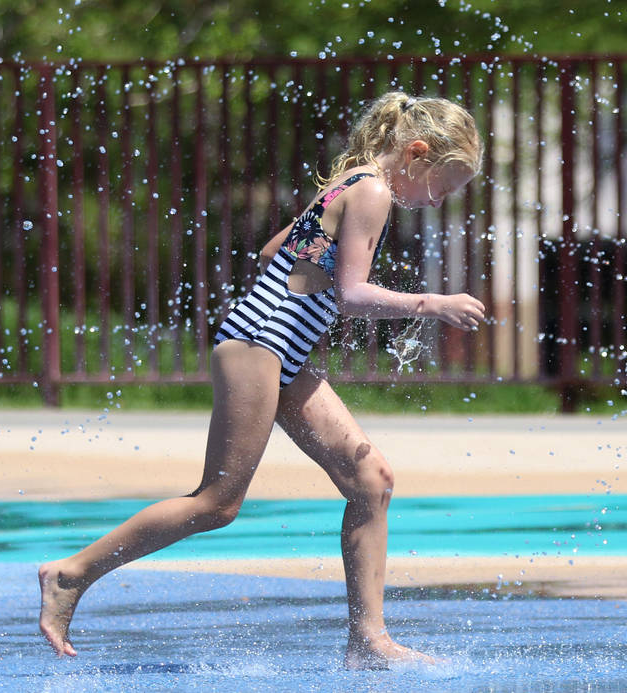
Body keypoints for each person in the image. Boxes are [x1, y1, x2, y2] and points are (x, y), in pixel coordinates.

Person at [38, 91, 486, 669]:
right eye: (443, 186)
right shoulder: (372, 190)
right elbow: (351, 295)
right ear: (418, 152)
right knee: (217, 503)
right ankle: (71, 575)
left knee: (370, 478)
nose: (441, 200)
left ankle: (368, 642)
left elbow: (278, 250)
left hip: (280, 350)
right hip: (259, 347)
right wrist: (431, 302)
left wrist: (304, 292)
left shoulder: (350, 183)